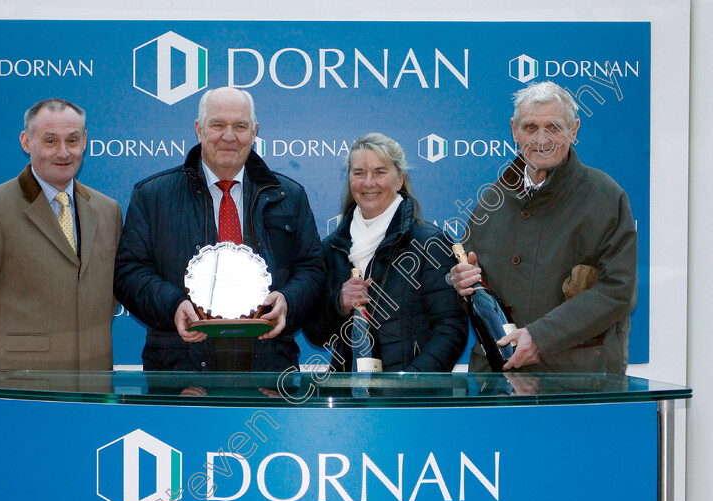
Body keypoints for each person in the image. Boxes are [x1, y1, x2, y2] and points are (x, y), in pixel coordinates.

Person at [114, 87, 323, 372]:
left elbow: (312, 269)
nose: (229, 136)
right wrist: (173, 306)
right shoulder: (153, 196)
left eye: (240, 126)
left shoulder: (289, 195)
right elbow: (129, 273)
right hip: (181, 370)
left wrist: (288, 301)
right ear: (199, 130)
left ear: (254, 132)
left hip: (270, 368)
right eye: (218, 125)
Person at [449, 81, 637, 373]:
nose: (541, 139)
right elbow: (474, 292)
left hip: (577, 384)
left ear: (573, 131)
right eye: (530, 127)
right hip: (499, 381)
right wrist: (461, 284)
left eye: (553, 127)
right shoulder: (490, 200)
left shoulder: (605, 197)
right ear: (514, 130)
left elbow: (617, 292)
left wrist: (540, 337)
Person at [0, 98, 123, 377]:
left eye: (72, 140)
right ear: (26, 142)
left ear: (85, 141)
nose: (63, 152)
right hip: (17, 392)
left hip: (93, 389)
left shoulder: (107, 210)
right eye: (50, 141)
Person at [304, 133, 468, 372]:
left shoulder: (429, 243)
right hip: (349, 399)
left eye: (380, 172)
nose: (368, 182)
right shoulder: (332, 247)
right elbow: (315, 334)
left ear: (399, 179)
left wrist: (408, 384)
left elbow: (451, 329)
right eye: (359, 173)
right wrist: (339, 304)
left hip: (409, 401)